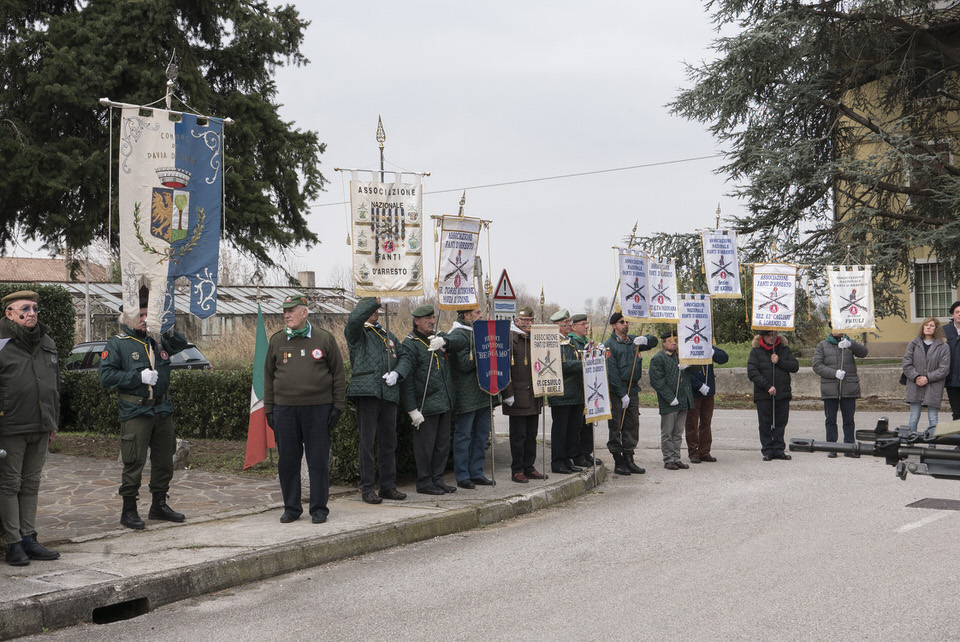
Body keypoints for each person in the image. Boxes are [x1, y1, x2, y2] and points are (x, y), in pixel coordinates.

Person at [99, 296, 190, 530]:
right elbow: (106, 377)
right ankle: (128, 510)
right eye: (140, 315)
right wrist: (137, 377)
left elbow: (181, 343)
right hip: (135, 410)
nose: (144, 319)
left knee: (164, 460)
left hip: (161, 408)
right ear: (127, 317)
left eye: (147, 315)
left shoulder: (157, 340)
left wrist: (164, 325)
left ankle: (158, 505)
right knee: (134, 461)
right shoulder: (118, 343)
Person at [263, 293, 346, 524]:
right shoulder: (277, 340)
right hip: (285, 410)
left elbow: (338, 375)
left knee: (317, 460)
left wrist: (337, 406)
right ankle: (291, 508)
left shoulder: (323, 338)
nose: (287, 315)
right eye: (284, 311)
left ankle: (319, 508)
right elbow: (268, 377)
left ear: (304, 312)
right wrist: (269, 409)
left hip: (318, 409)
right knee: (288, 461)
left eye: (291, 310)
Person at [0, 290, 61, 566]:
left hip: (41, 424)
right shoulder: (1, 343)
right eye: (25, 308)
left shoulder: (46, 340)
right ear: (9, 313)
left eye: (35, 308)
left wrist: (53, 420)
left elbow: (54, 385)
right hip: (9, 426)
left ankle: (29, 538)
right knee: (9, 485)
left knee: (32, 484)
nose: (32, 313)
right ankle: (13, 543)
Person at [344, 297, 409, 504]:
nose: (376, 312)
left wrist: (398, 373)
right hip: (367, 393)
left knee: (389, 442)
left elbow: (405, 355)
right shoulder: (357, 334)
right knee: (367, 442)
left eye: (377, 310)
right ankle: (367, 487)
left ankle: (388, 486)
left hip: (388, 393)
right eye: (372, 310)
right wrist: (375, 300)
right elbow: (354, 320)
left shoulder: (386, 334)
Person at [397, 305, 458, 495]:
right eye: (427, 319)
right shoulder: (410, 344)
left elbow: (460, 341)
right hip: (425, 404)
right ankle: (424, 481)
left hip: (444, 402)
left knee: (442, 445)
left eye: (433, 317)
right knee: (425, 447)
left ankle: (437, 479)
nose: (432, 321)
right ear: (416, 321)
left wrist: (445, 341)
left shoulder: (437, 336)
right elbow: (406, 382)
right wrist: (411, 410)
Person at [446, 308, 498, 488]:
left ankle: (476, 471)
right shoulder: (459, 334)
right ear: (466, 316)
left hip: (483, 392)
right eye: (476, 313)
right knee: (464, 436)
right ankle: (462, 475)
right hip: (466, 394)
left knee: (482, 435)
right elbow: (464, 363)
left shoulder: (478, 332)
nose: (481, 315)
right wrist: (485, 352)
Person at [605, 312, 658, 476]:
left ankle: (629, 458)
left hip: (633, 389)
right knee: (616, 426)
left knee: (631, 425)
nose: (625, 324)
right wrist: (621, 394)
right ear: (614, 325)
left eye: (627, 321)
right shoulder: (610, 345)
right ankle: (618, 460)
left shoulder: (633, 341)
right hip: (617, 391)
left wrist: (646, 339)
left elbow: (654, 342)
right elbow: (612, 372)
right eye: (622, 322)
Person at [502, 307, 548, 483]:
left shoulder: (536, 338)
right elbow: (503, 367)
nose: (528, 324)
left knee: (531, 435)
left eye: (531, 320)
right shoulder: (509, 339)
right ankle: (517, 470)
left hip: (534, 395)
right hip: (517, 396)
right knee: (518, 436)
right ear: (516, 320)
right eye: (525, 320)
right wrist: (507, 393)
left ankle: (529, 467)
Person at [812, 327, 868, 456]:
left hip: (848, 387)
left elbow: (864, 353)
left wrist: (851, 344)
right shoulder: (822, 345)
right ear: (831, 328)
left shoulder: (849, 343)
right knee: (830, 419)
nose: (837, 329)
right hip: (830, 387)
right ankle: (831, 447)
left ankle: (849, 447)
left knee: (849, 419)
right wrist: (834, 373)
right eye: (834, 327)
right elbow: (816, 365)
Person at [746, 330, 800, 461]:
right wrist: (767, 386)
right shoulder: (756, 351)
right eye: (769, 335)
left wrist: (779, 361)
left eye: (774, 335)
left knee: (780, 422)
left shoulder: (784, 349)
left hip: (782, 393)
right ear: (762, 336)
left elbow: (794, 366)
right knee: (765, 423)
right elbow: (752, 372)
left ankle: (779, 449)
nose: (772, 337)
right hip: (764, 395)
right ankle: (767, 450)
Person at [649, 329, 693, 470]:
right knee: (667, 433)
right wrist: (670, 398)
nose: (674, 344)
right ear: (663, 343)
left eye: (675, 342)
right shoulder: (658, 359)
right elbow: (657, 382)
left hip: (682, 400)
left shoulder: (680, 356)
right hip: (669, 401)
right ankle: (668, 459)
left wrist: (688, 365)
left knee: (678, 433)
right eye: (670, 342)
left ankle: (676, 457)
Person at [548, 309, 583, 474]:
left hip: (575, 393)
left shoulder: (571, 342)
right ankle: (558, 461)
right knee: (560, 430)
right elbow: (559, 365)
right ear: (557, 325)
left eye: (570, 322)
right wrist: (583, 364)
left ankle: (568, 459)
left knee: (572, 430)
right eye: (567, 323)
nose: (570, 325)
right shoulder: (551, 342)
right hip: (561, 394)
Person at [902, 317, 950, 434]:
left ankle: (932, 445)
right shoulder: (913, 344)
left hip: (933, 388)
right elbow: (906, 364)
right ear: (923, 327)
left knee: (933, 418)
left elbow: (944, 369)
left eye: (932, 325)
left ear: (936, 329)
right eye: (926, 325)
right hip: (915, 385)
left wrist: (927, 378)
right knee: (914, 417)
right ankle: (910, 444)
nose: (928, 327)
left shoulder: (943, 347)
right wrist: (916, 377)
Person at [686, 345, 729, 463]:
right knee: (692, 424)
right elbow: (684, 372)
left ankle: (704, 451)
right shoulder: (687, 346)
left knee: (706, 423)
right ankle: (693, 452)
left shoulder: (706, 345)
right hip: (693, 392)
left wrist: (713, 351)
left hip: (708, 392)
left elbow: (724, 358)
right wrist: (698, 385)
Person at [568, 314, 601, 467]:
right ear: (573, 327)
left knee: (588, 425)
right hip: (576, 388)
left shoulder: (587, 342)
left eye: (586, 323)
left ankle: (586, 453)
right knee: (577, 426)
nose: (586, 326)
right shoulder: (572, 343)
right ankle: (577, 455)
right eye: (583, 324)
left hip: (589, 389)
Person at [943, 302, 960, 420]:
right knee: (957, 412)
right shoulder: (944, 331)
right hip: (952, 378)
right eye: (957, 312)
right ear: (953, 315)